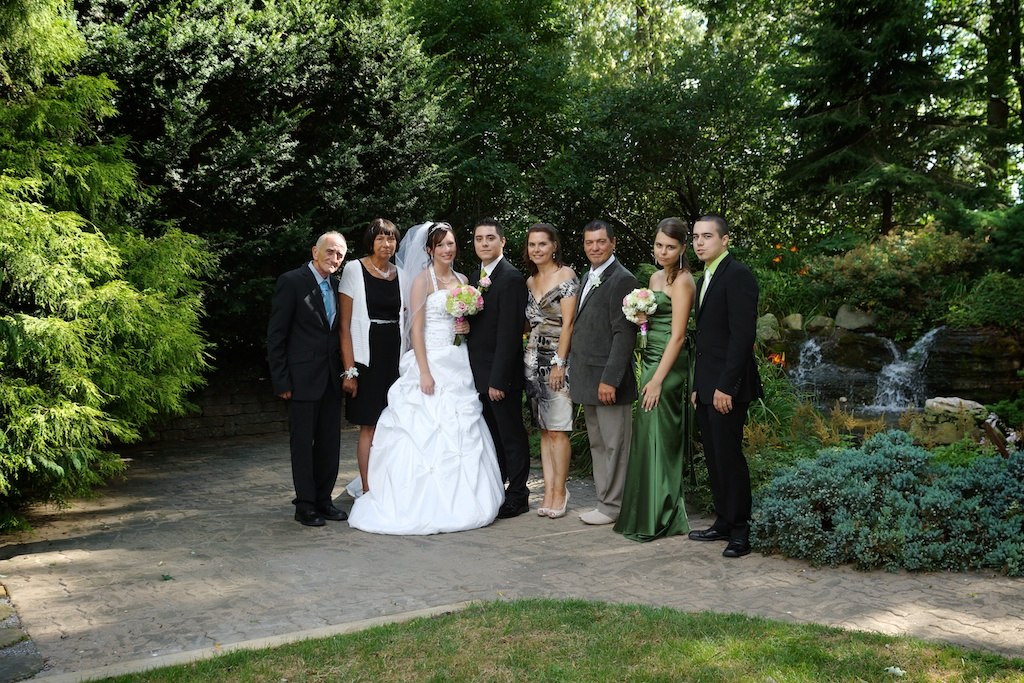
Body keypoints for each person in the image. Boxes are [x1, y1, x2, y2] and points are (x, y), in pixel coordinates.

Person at [347, 222, 504, 534]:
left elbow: (462, 321)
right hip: (430, 361)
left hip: (458, 361)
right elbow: (415, 330)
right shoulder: (421, 281)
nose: (447, 249)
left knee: (462, 425)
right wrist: (425, 372)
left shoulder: (463, 280)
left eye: (451, 243)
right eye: (441, 245)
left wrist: (465, 328)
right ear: (429, 250)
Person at [614, 217, 697, 542]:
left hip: (669, 365)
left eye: (670, 247)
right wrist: (641, 318)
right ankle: (643, 510)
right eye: (659, 245)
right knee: (647, 433)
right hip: (650, 359)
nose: (663, 251)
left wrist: (660, 380)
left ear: (682, 249)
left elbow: (677, 336)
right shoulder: (654, 276)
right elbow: (651, 324)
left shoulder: (684, 281)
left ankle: (665, 513)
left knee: (662, 436)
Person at [688, 213, 763, 558]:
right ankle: (723, 521)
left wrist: (725, 387)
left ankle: (741, 532)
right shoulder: (705, 276)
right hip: (706, 384)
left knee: (729, 457)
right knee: (715, 458)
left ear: (725, 239)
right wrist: (698, 385)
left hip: (728, 387)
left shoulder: (738, 275)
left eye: (707, 236)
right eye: (696, 237)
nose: (699, 242)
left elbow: (742, 337)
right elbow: (706, 339)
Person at [266, 231, 349, 527]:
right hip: (300, 380)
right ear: (315, 251)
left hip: (330, 379)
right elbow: (276, 336)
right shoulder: (292, 282)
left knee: (329, 443)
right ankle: (305, 505)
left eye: (340, 254)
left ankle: (324, 500)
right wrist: (282, 381)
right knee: (302, 444)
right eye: (330, 252)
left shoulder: (339, 286)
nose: (335, 259)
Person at [569, 220, 639, 525]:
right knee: (598, 443)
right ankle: (604, 501)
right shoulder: (588, 276)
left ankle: (614, 505)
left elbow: (624, 335)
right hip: (588, 377)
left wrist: (611, 379)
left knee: (616, 445)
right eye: (589, 242)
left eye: (600, 242)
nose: (594, 247)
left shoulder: (623, 279)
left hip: (609, 381)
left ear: (613, 243)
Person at [466, 218, 531, 519]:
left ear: (502, 242)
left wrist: (499, 380)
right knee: (492, 437)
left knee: (511, 436)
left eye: (490, 238)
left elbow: (509, 334)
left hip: (499, 376)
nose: (484, 243)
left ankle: (519, 494)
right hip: (478, 374)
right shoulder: (476, 277)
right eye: (479, 239)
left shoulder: (511, 277)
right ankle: (499, 489)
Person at [339, 218, 404, 496]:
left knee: (393, 423)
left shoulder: (401, 273)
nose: (386, 244)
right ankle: (367, 488)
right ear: (371, 241)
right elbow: (344, 325)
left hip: (396, 355)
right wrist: (350, 370)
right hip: (367, 357)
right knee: (369, 425)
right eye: (381, 238)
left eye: (391, 239)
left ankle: (390, 483)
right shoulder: (354, 269)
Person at [523, 223, 579, 519]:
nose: (536, 249)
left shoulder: (566, 275)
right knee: (544, 430)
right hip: (532, 359)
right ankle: (547, 491)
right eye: (532, 245)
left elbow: (569, 323)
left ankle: (561, 491)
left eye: (542, 244)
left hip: (557, 358)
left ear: (554, 246)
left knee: (558, 429)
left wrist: (560, 362)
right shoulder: (531, 281)